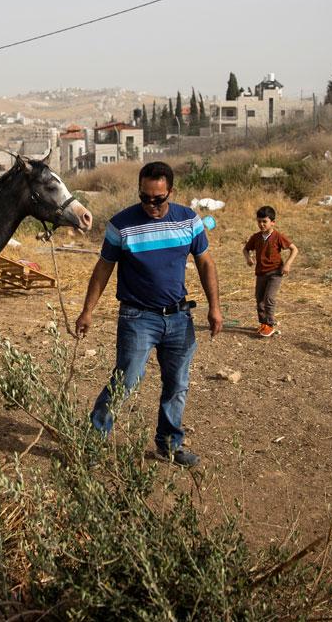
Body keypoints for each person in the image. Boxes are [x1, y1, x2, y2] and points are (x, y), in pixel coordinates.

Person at [75, 161, 222, 467]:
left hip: (179, 319)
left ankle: (169, 445)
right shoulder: (121, 225)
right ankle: (93, 442)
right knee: (126, 380)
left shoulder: (189, 221)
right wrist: (87, 311)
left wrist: (215, 308)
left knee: (177, 384)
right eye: (145, 198)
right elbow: (103, 268)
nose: (151, 205)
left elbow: (206, 263)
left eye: (158, 199)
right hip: (137, 318)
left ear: (171, 191)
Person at [243, 205, 298, 338]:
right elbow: (246, 249)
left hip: (275, 273)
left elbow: (294, 249)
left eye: (264, 221)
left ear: (272, 222)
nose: (261, 224)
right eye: (259, 221)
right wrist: (248, 258)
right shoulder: (256, 237)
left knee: (269, 298)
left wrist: (287, 264)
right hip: (261, 273)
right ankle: (263, 324)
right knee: (259, 299)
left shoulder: (278, 236)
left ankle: (270, 324)